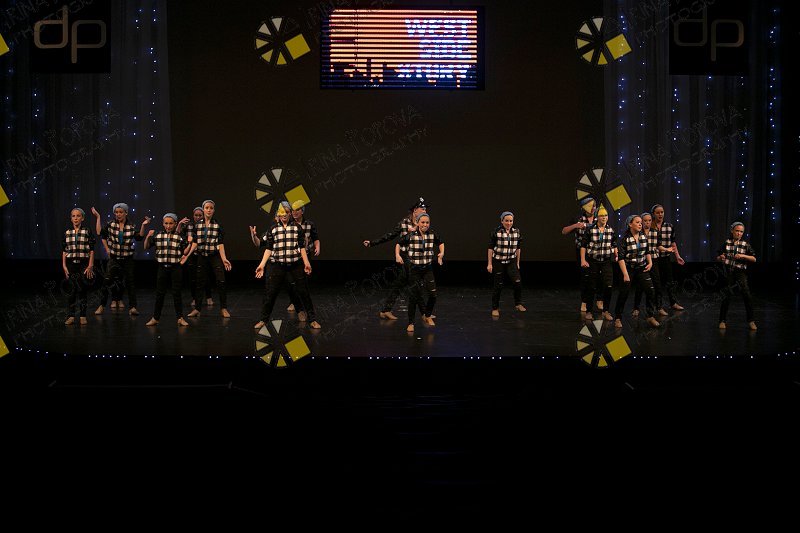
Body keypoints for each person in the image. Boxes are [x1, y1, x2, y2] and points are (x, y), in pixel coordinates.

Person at [254, 202, 321, 329]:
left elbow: (302, 247)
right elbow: (268, 248)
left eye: (287, 212)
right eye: (281, 212)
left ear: (290, 214)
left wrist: (306, 262)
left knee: (303, 292)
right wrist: (262, 265)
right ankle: (263, 320)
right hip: (277, 266)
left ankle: (312, 319)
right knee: (270, 293)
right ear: (278, 214)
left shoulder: (297, 228)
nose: (284, 215)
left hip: (295, 265)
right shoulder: (273, 229)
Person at [363, 197, 428, 320]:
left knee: (401, 283)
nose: (425, 211)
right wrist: (372, 243)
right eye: (422, 209)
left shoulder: (423, 223)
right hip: (405, 257)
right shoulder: (404, 222)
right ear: (415, 210)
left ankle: (385, 310)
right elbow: (391, 235)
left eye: (425, 209)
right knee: (414, 283)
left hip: (416, 258)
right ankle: (425, 313)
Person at [91, 203, 147, 316]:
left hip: (127, 259)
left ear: (126, 213)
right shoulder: (111, 224)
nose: (118, 214)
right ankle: (102, 306)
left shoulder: (131, 225)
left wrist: (143, 225)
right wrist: (98, 217)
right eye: (116, 212)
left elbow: (139, 237)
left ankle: (133, 307)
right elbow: (99, 232)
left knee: (130, 282)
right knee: (107, 281)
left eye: (121, 212)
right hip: (114, 258)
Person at [397, 213, 444, 332]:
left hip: (427, 268)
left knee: (433, 295)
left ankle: (427, 315)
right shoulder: (411, 235)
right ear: (417, 223)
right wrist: (397, 255)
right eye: (422, 222)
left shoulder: (432, 234)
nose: (425, 224)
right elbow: (399, 243)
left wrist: (441, 253)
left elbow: (441, 243)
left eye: (427, 222)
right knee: (413, 296)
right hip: (415, 269)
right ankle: (411, 322)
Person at [187, 200, 232, 318]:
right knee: (199, 283)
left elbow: (220, 243)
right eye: (207, 208)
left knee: (221, 281)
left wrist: (224, 259)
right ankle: (197, 309)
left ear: (214, 210)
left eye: (211, 208)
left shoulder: (217, 225)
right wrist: (187, 255)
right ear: (203, 209)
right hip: (202, 256)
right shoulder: (198, 225)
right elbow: (195, 242)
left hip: (214, 256)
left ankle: (223, 308)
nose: (209, 210)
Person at [144, 213, 190, 326]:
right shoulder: (158, 235)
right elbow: (146, 247)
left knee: (176, 293)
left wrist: (189, 243)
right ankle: (155, 318)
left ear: (175, 224)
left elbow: (185, 252)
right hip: (162, 267)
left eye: (171, 223)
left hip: (175, 267)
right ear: (163, 224)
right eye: (166, 223)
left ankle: (180, 318)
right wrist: (148, 236)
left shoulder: (179, 236)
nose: (168, 226)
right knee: (160, 293)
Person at [614, 215, 659, 328]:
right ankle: (618, 318)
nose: (640, 224)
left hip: (641, 268)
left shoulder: (643, 236)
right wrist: (625, 274)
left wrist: (650, 262)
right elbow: (621, 258)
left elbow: (647, 251)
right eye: (637, 222)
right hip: (628, 268)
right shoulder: (625, 239)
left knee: (650, 290)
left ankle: (650, 316)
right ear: (630, 224)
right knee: (624, 293)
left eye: (640, 222)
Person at [562, 196, 603, 313]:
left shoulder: (599, 217)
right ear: (584, 207)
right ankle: (584, 301)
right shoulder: (578, 218)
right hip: (582, 252)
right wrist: (576, 225)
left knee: (599, 276)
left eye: (594, 206)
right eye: (590, 206)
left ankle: (599, 299)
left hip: (597, 252)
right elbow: (564, 231)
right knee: (585, 278)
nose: (593, 208)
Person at [716, 222, 757, 330]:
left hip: (740, 272)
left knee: (746, 294)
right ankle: (722, 320)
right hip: (729, 271)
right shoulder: (727, 243)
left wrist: (743, 256)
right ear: (732, 231)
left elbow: (754, 259)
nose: (739, 233)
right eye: (737, 231)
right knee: (726, 295)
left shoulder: (745, 244)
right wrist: (721, 257)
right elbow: (719, 256)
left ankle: (751, 320)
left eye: (741, 231)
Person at [285, 199, 320, 318]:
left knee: (303, 281)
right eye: (293, 210)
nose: (294, 212)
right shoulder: (289, 224)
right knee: (291, 281)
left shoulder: (309, 224)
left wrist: (317, 247)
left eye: (297, 210)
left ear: (302, 211)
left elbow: (315, 238)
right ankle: (293, 302)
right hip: (293, 256)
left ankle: (304, 305)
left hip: (305, 255)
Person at [580, 206, 615, 321]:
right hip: (593, 261)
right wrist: (583, 260)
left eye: (606, 215)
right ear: (597, 217)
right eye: (601, 216)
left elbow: (614, 245)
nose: (604, 218)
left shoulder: (610, 230)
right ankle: (589, 311)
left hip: (606, 261)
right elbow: (583, 246)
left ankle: (606, 311)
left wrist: (616, 254)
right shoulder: (590, 229)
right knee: (591, 286)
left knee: (608, 286)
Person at [487, 211, 525, 317]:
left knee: (517, 282)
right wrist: (489, 264)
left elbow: (518, 248)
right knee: (498, 285)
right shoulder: (496, 232)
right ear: (502, 221)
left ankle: (518, 303)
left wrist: (517, 262)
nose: (509, 223)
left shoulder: (517, 232)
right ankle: (495, 308)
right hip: (498, 261)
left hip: (511, 261)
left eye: (511, 221)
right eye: (506, 221)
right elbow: (490, 248)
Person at [62, 208, 95, 325]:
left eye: (78, 216)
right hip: (71, 264)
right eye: (73, 216)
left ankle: (82, 315)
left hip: (83, 264)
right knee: (72, 291)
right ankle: (71, 315)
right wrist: (64, 266)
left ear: (82, 218)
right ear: (71, 218)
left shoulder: (87, 231)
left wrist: (90, 265)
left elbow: (91, 250)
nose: (76, 218)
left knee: (82, 290)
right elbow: (64, 250)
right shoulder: (67, 232)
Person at [632, 212, 667, 318]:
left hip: (654, 260)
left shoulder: (655, 232)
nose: (647, 222)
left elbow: (659, 246)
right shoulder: (639, 233)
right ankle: (636, 308)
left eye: (649, 220)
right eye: (645, 221)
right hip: (642, 261)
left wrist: (667, 249)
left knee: (657, 285)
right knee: (640, 286)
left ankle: (659, 307)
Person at [651, 204, 685, 311]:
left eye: (662, 212)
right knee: (656, 283)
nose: (660, 214)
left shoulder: (669, 226)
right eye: (657, 212)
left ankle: (673, 302)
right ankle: (658, 306)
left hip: (665, 258)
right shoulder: (649, 226)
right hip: (653, 258)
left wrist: (677, 256)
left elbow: (673, 243)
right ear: (653, 214)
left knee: (670, 281)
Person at [182, 207, 213, 308]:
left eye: (200, 215)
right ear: (193, 215)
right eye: (196, 215)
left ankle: (208, 296)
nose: (198, 217)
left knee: (205, 276)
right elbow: (179, 235)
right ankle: (194, 298)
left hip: (202, 254)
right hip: (191, 254)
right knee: (192, 278)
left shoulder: (206, 225)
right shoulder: (189, 225)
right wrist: (179, 224)